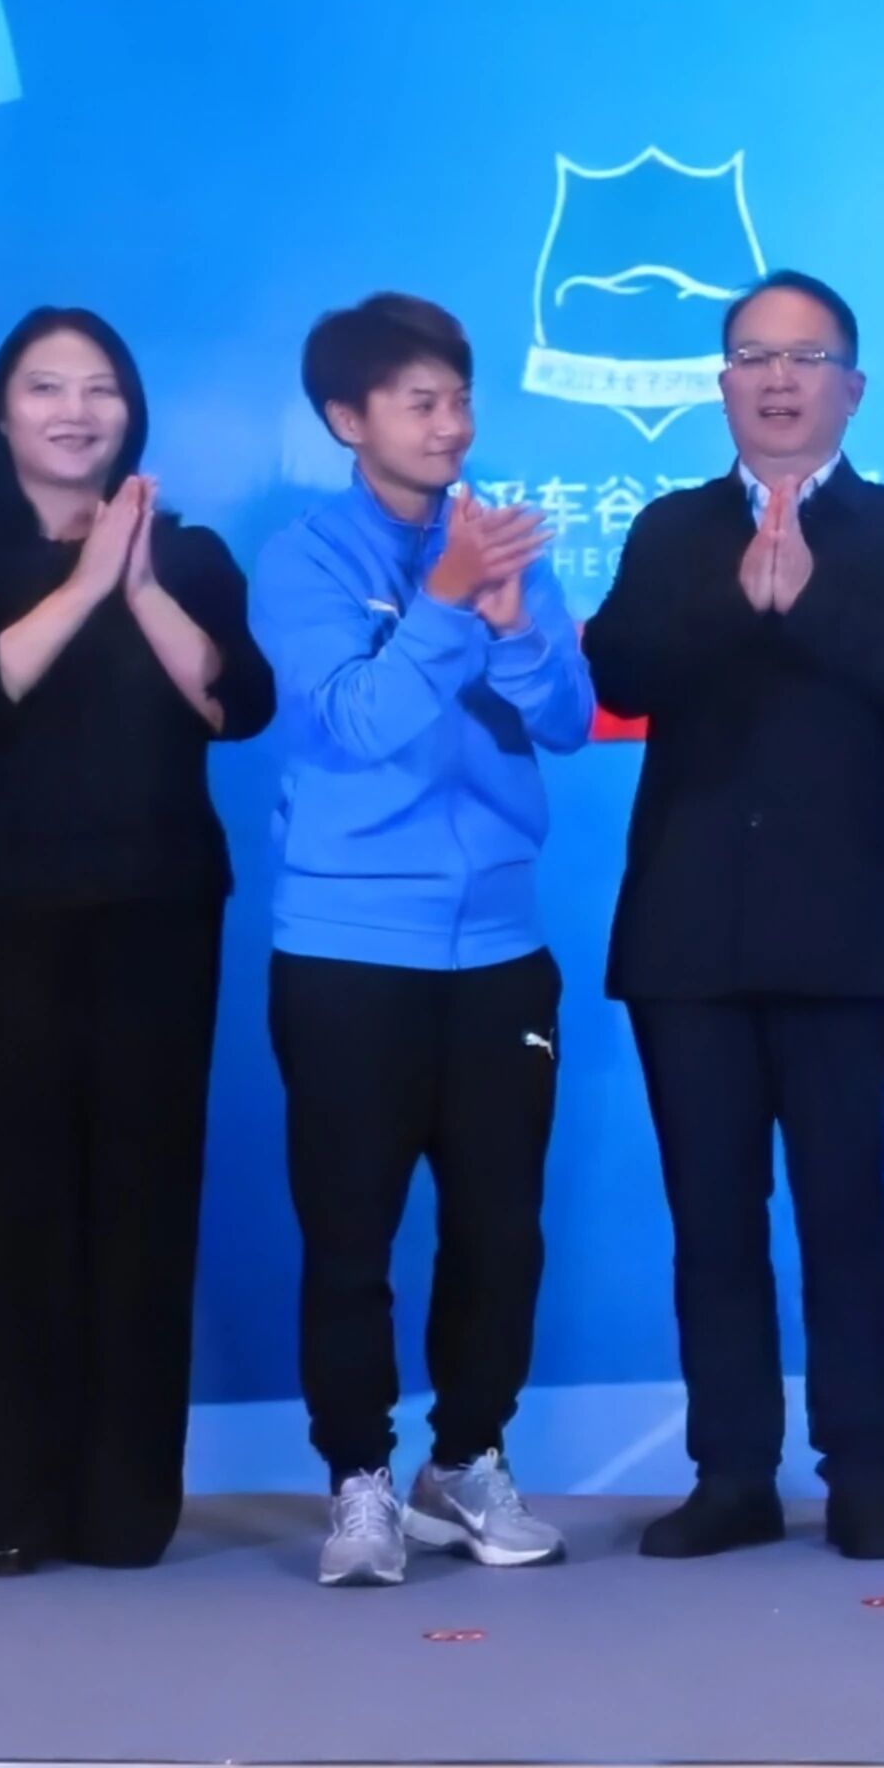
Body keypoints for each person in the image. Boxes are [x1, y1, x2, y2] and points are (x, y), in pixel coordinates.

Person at [588, 272, 884, 1565]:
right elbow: (619, 667)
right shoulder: (670, 527)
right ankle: (732, 1472)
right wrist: (735, 597)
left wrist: (809, 592)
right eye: (753, 355)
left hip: (846, 926)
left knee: (845, 1209)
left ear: (850, 386)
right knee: (712, 1216)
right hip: (687, 928)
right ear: (721, 385)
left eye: (804, 357)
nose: (777, 378)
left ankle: (863, 1470)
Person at [0, 309, 272, 1575]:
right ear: (0, 415)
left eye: (100, 387)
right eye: (45, 387)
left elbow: (237, 703)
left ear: (132, 411)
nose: (75, 410)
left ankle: (123, 1503)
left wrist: (141, 581)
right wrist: (84, 584)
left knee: (142, 1204)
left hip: (155, 911)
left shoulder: (192, 554)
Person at [253, 292, 594, 1588]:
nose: (449, 424)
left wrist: (510, 622)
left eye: (458, 397)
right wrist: (448, 603)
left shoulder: (496, 537)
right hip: (347, 942)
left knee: (500, 1227)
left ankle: (469, 1456)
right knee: (349, 1229)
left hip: (498, 943)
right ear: (347, 418)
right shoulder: (301, 560)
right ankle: (360, 1478)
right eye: (418, 401)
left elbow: (565, 716)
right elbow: (354, 719)